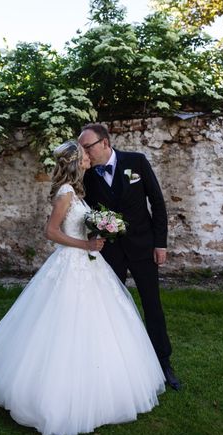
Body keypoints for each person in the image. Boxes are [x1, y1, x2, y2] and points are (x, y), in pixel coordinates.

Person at [0, 141, 165, 435]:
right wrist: (87, 244)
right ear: (73, 162)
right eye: (83, 155)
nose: (87, 158)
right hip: (71, 263)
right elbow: (51, 232)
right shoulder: (66, 193)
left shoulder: (77, 191)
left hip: (88, 264)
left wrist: (96, 231)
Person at [79, 123, 181, 390]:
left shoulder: (136, 161)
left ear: (105, 143)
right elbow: (85, 211)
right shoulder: (86, 175)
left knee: (152, 305)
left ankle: (163, 362)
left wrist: (161, 244)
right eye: (81, 149)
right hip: (110, 251)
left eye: (87, 147)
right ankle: (118, 364)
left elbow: (157, 203)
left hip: (143, 247)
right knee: (113, 308)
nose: (84, 154)